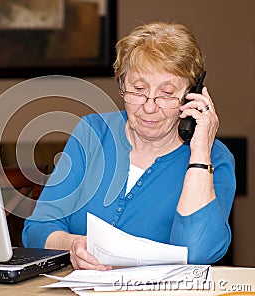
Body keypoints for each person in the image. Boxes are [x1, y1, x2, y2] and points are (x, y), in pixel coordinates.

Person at [22, 21, 236, 270]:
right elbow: (37, 229)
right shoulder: (94, 132)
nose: (149, 106)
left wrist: (199, 154)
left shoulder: (215, 157)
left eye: (167, 93)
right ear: (122, 85)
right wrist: (74, 245)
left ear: (193, 93)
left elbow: (199, 252)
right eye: (138, 90)